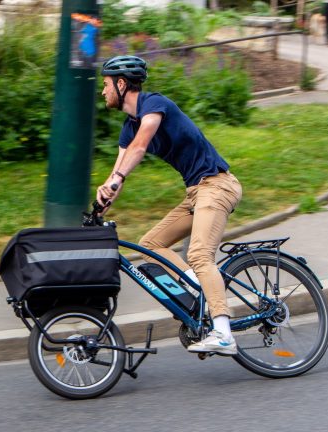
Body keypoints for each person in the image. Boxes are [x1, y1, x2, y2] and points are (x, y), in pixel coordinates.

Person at [96, 55, 243, 355]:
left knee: (200, 254)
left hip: (217, 186)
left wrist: (118, 177)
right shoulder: (129, 126)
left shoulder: (154, 104)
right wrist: (103, 198)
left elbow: (139, 146)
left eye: (106, 85)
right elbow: (119, 169)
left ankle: (224, 333)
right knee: (150, 243)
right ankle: (197, 285)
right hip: (196, 193)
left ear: (121, 84)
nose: (103, 92)